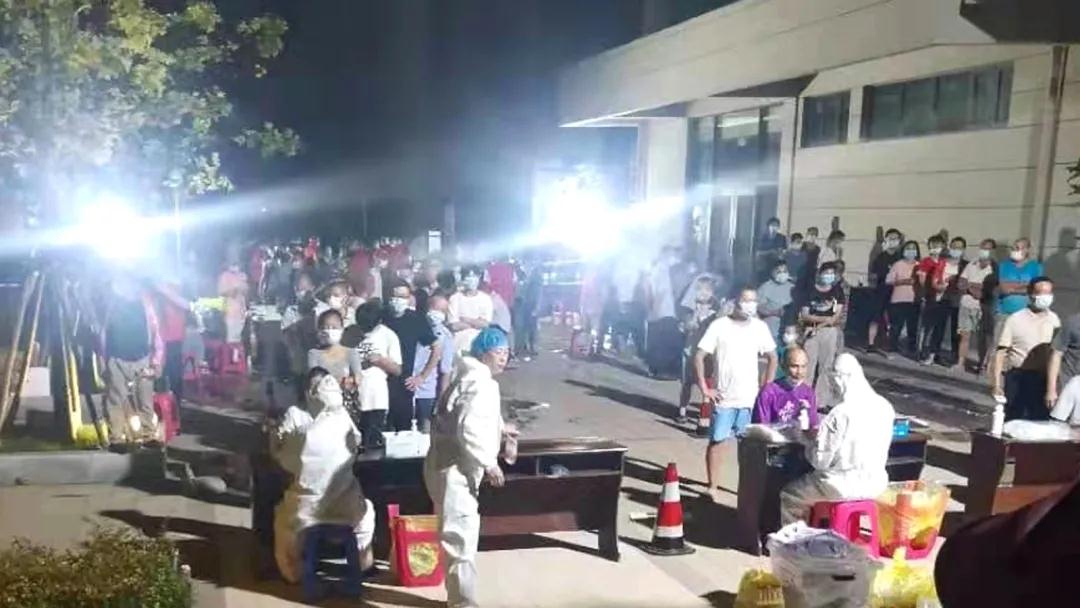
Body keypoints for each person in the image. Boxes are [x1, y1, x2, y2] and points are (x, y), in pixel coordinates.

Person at [424, 327, 514, 608]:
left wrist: (502, 429)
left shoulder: (468, 377)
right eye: (498, 352)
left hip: (446, 468)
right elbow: (470, 428)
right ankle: (462, 602)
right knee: (460, 539)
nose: (504, 358)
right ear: (484, 353)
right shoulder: (480, 384)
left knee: (455, 535)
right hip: (457, 472)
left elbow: (474, 417)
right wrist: (489, 464)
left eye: (506, 352)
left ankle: (458, 597)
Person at [272, 368, 375, 585]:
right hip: (345, 508)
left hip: (306, 510)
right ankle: (362, 564)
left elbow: (283, 458)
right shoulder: (342, 421)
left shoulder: (304, 434)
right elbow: (355, 446)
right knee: (367, 514)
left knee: (283, 521)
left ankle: (293, 574)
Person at [780, 354, 895, 524]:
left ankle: (795, 538)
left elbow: (820, 462)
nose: (833, 388)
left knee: (790, 494)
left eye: (834, 383)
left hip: (841, 485)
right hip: (875, 484)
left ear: (841, 380)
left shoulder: (841, 413)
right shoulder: (885, 406)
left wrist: (807, 442)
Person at [695, 287, 778, 504]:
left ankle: (745, 489)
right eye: (746, 300)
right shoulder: (719, 326)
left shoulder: (760, 328)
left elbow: (772, 357)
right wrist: (705, 387)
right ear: (736, 301)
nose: (750, 305)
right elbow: (700, 355)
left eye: (753, 301)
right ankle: (712, 486)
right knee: (717, 441)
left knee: (748, 448)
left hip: (749, 399)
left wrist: (766, 387)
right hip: (724, 398)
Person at [101, 273, 164, 446]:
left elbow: (156, 331)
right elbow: (104, 333)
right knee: (115, 399)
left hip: (142, 358)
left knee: (145, 400)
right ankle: (116, 437)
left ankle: (149, 435)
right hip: (117, 359)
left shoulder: (145, 304)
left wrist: (157, 360)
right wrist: (103, 359)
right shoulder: (112, 305)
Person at [991, 277, 1060, 421]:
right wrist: (996, 384)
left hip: (1043, 379)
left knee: (1039, 422)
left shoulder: (1054, 320)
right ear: (1030, 294)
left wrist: (1053, 386)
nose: (1045, 297)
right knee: (1014, 421)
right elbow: (1000, 353)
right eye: (1041, 293)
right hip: (1019, 378)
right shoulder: (1015, 319)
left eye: (1048, 293)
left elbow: (1057, 354)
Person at [383, 280, 441, 432]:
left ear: (409, 298)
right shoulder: (381, 317)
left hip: (404, 384)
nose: (398, 300)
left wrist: (422, 377)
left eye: (403, 296)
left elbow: (436, 347)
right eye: (395, 296)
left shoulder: (416, 319)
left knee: (403, 431)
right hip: (380, 382)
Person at [345, 301, 402, 446]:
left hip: (376, 395)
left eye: (368, 327)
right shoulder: (349, 333)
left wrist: (380, 361)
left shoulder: (388, 335)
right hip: (353, 394)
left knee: (373, 439)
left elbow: (397, 370)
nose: (365, 331)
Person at [799, 262, 846, 406]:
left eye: (832, 273)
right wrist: (822, 320)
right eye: (826, 273)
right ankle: (803, 399)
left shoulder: (837, 291)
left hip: (829, 331)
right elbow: (805, 314)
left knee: (826, 366)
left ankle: (821, 401)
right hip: (811, 330)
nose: (829, 276)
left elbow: (835, 317)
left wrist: (822, 323)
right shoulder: (810, 290)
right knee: (808, 365)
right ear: (820, 274)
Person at [919, 236, 966, 366]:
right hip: (942, 298)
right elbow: (935, 279)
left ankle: (955, 358)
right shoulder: (943, 263)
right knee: (939, 328)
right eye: (954, 247)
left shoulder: (966, 265)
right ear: (949, 247)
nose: (956, 250)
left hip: (959, 301)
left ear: (964, 249)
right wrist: (939, 286)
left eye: (959, 247)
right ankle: (933, 355)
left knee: (956, 330)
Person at [412, 295, 456, 432]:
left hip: (427, 393)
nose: (438, 314)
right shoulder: (413, 326)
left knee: (425, 432)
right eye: (435, 309)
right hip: (406, 389)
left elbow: (446, 371)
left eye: (442, 311)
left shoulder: (445, 336)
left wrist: (442, 401)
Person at [677, 277, 718, 422]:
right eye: (699, 289)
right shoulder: (689, 313)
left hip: (706, 355)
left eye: (707, 289)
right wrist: (694, 316)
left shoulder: (714, 314)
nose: (703, 293)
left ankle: (705, 414)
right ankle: (682, 410)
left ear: (712, 293)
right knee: (686, 383)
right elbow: (686, 327)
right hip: (689, 353)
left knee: (706, 384)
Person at [993, 238, 1044, 351]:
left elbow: (1035, 289)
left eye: (1017, 248)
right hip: (1004, 313)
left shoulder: (1036, 267)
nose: (1014, 250)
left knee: (1020, 348)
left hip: (1026, 315)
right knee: (999, 347)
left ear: (1027, 249)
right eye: (1013, 248)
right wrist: (1024, 285)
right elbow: (1004, 288)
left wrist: (1013, 287)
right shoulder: (1004, 265)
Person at [955, 239, 997, 373]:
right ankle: (960, 363)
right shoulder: (972, 263)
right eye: (983, 248)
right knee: (964, 335)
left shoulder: (995, 268)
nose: (985, 251)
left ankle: (982, 365)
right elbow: (961, 283)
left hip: (982, 307)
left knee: (982, 338)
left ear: (993, 251)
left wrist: (971, 285)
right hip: (966, 304)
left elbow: (987, 289)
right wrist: (974, 287)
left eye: (988, 249)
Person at [752, 347, 819, 428]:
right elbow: (760, 428)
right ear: (783, 366)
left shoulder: (808, 393)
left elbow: (813, 425)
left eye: (803, 366)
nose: (799, 372)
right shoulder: (769, 393)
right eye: (794, 366)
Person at [644, 246, 682, 379]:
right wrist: (653, 309)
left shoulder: (664, 269)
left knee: (662, 342)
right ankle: (659, 369)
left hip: (666, 312)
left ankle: (658, 368)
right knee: (661, 342)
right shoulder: (660, 270)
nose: (674, 258)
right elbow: (653, 291)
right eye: (672, 255)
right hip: (662, 312)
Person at [154, 276, 190, 403]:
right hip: (160, 339)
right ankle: (159, 402)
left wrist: (165, 291)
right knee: (160, 372)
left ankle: (176, 401)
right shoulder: (157, 294)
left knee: (174, 373)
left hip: (175, 338)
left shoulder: (177, 293)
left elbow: (187, 305)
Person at [866, 228, 903, 352]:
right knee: (875, 317)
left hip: (897, 292)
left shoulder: (901, 257)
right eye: (890, 238)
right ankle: (871, 344)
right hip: (881, 291)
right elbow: (873, 273)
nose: (893, 241)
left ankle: (891, 344)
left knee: (894, 320)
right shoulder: (880, 256)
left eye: (895, 239)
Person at [307, 310, 362, 384]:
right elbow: (315, 380)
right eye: (324, 328)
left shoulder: (351, 353)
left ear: (342, 329)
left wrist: (345, 381)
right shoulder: (314, 354)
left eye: (334, 327)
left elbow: (358, 378)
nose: (329, 331)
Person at [448, 266, 494, 355]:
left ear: (479, 277)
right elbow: (454, 326)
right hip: (459, 344)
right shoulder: (455, 298)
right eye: (468, 276)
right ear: (463, 278)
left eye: (474, 276)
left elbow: (485, 324)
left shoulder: (485, 299)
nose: (471, 279)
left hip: (479, 344)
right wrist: (476, 323)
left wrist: (466, 320)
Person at [886, 241, 921, 357]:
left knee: (913, 327)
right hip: (898, 299)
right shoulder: (898, 264)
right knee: (896, 326)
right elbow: (889, 280)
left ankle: (911, 349)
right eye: (908, 248)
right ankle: (892, 348)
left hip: (914, 300)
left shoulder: (919, 265)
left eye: (913, 248)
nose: (911, 251)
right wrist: (903, 281)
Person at [1048, 310, 1080, 424]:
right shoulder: (1073, 324)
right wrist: (1051, 390)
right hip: (1069, 384)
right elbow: (1056, 354)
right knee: (1060, 424)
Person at [757, 261, 794, 339]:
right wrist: (775, 312)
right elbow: (759, 308)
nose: (782, 274)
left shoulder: (793, 287)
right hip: (772, 331)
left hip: (790, 331)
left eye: (784, 271)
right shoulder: (765, 287)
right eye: (779, 272)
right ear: (772, 272)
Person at [218, 256, 248, 343]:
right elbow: (222, 292)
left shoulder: (242, 275)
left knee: (240, 339)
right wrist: (234, 289)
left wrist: (243, 288)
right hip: (230, 313)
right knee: (232, 340)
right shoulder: (224, 276)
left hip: (242, 313)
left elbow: (246, 291)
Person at [756, 217, 788, 282]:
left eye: (776, 226)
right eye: (772, 225)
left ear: (778, 227)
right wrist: (770, 252)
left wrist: (781, 253)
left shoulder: (782, 237)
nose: (774, 228)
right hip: (763, 266)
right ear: (768, 226)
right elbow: (757, 253)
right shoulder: (761, 237)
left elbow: (785, 251)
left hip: (777, 266)